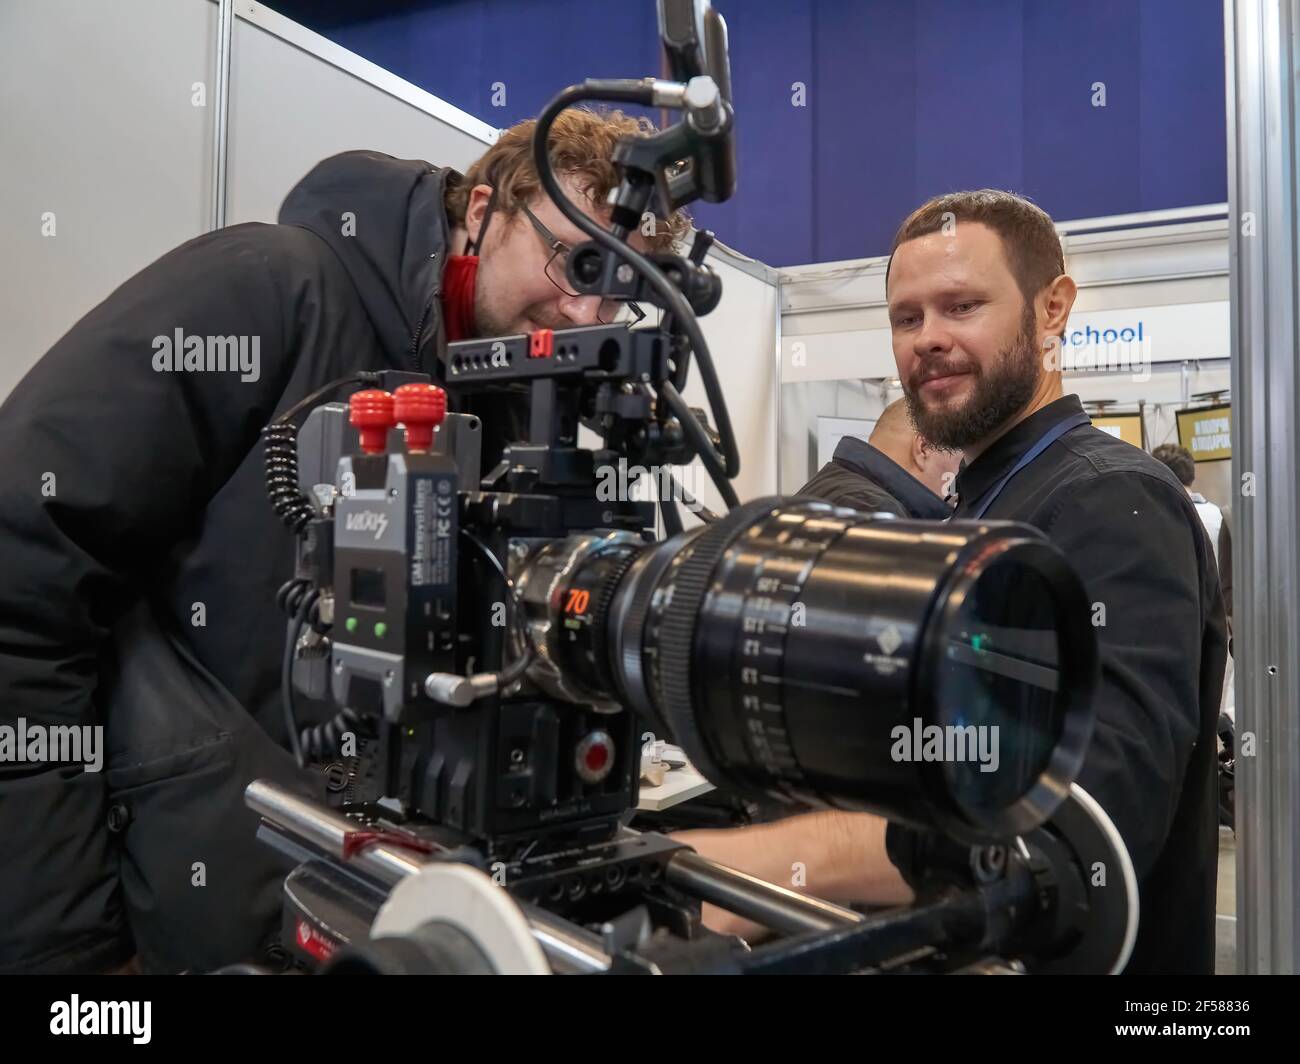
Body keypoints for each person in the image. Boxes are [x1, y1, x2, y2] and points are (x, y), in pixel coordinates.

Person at [0, 109, 686, 974]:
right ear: (483, 209)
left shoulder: (507, 396)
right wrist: (66, 950)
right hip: (156, 916)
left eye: (621, 283)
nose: (587, 309)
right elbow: (20, 567)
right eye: (573, 259)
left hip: (345, 911)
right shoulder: (267, 287)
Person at [676, 189, 1228, 974]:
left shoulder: (1110, 499)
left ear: (1052, 310)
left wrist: (762, 864)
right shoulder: (977, 507)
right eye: (907, 318)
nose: (928, 340)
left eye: (962, 306)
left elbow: (1082, 828)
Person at [797, 398, 959, 518]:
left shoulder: (832, 484)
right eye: (959, 461)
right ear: (924, 448)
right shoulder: (878, 511)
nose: (956, 478)